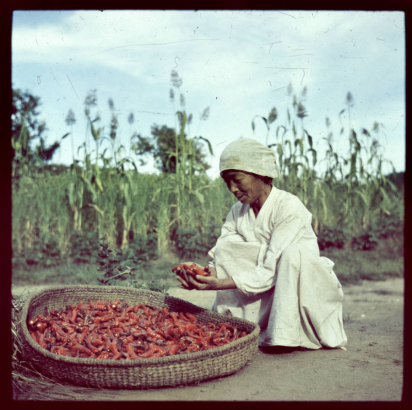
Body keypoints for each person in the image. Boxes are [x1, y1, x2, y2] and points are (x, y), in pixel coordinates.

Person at [175, 138, 347, 350]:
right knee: (228, 246)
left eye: (237, 179)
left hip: (301, 286)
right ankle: (240, 324)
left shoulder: (288, 206)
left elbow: (269, 270)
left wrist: (218, 283)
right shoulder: (237, 211)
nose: (232, 188)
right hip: (263, 285)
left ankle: (285, 333)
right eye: (226, 182)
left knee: (292, 253)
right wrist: (203, 274)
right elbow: (220, 257)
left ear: (261, 174)